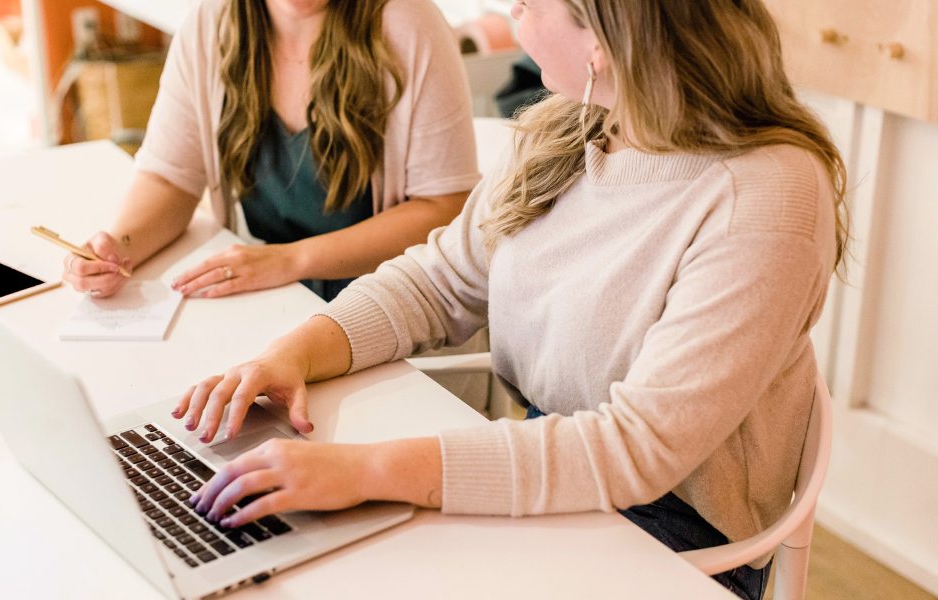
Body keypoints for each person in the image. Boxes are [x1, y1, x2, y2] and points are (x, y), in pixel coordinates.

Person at [177, 0, 848, 598]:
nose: (512, 14)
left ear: (605, 38)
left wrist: (366, 470)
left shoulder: (767, 197)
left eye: (528, 3)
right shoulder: (569, 128)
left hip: (672, 541)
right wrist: (294, 354)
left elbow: (637, 450)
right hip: (548, 468)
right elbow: (437, 282)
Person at [62, 0, 480, 302]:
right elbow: (170, 177)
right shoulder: (210, 24)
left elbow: (445, 207)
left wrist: (290, 261)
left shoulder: (409, 23)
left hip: (386, 304)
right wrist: (120, 245)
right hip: (273, 296)